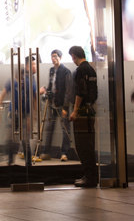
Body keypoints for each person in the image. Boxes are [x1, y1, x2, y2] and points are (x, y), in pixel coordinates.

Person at [0, 55, 39, 165]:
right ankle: (10, 162)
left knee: (25, 140)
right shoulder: (11, 82)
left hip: (25, 114)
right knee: (10, 138)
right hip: (13, 114)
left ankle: (28, 164)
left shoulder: (29, 82)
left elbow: (34, 98)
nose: (19, 79)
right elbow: (3, 94)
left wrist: (32, 116)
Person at [70, 45, 98, 187]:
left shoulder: (80, 70)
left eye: (72, 57)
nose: (73, 60)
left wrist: (75, 110)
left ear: (74, 56)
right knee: (89, 144)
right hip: (91, 111)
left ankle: (89, 177)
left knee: (83, 145)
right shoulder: (91, 69)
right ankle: (91, 176)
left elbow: (80, 92)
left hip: (82, 113)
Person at [38, 49, 73, 161]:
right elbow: (50, 86)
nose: (53, 59)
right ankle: (46, 152)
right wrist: (45, 91)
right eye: (52, 56)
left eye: (55, 56)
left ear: (60, 57)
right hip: (52, 104)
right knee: (49, 128)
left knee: (65, 129)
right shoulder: (52, 70)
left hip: (62, 105)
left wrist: (66, 108)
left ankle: (64, 153)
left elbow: (68, 91)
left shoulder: (66, 71)